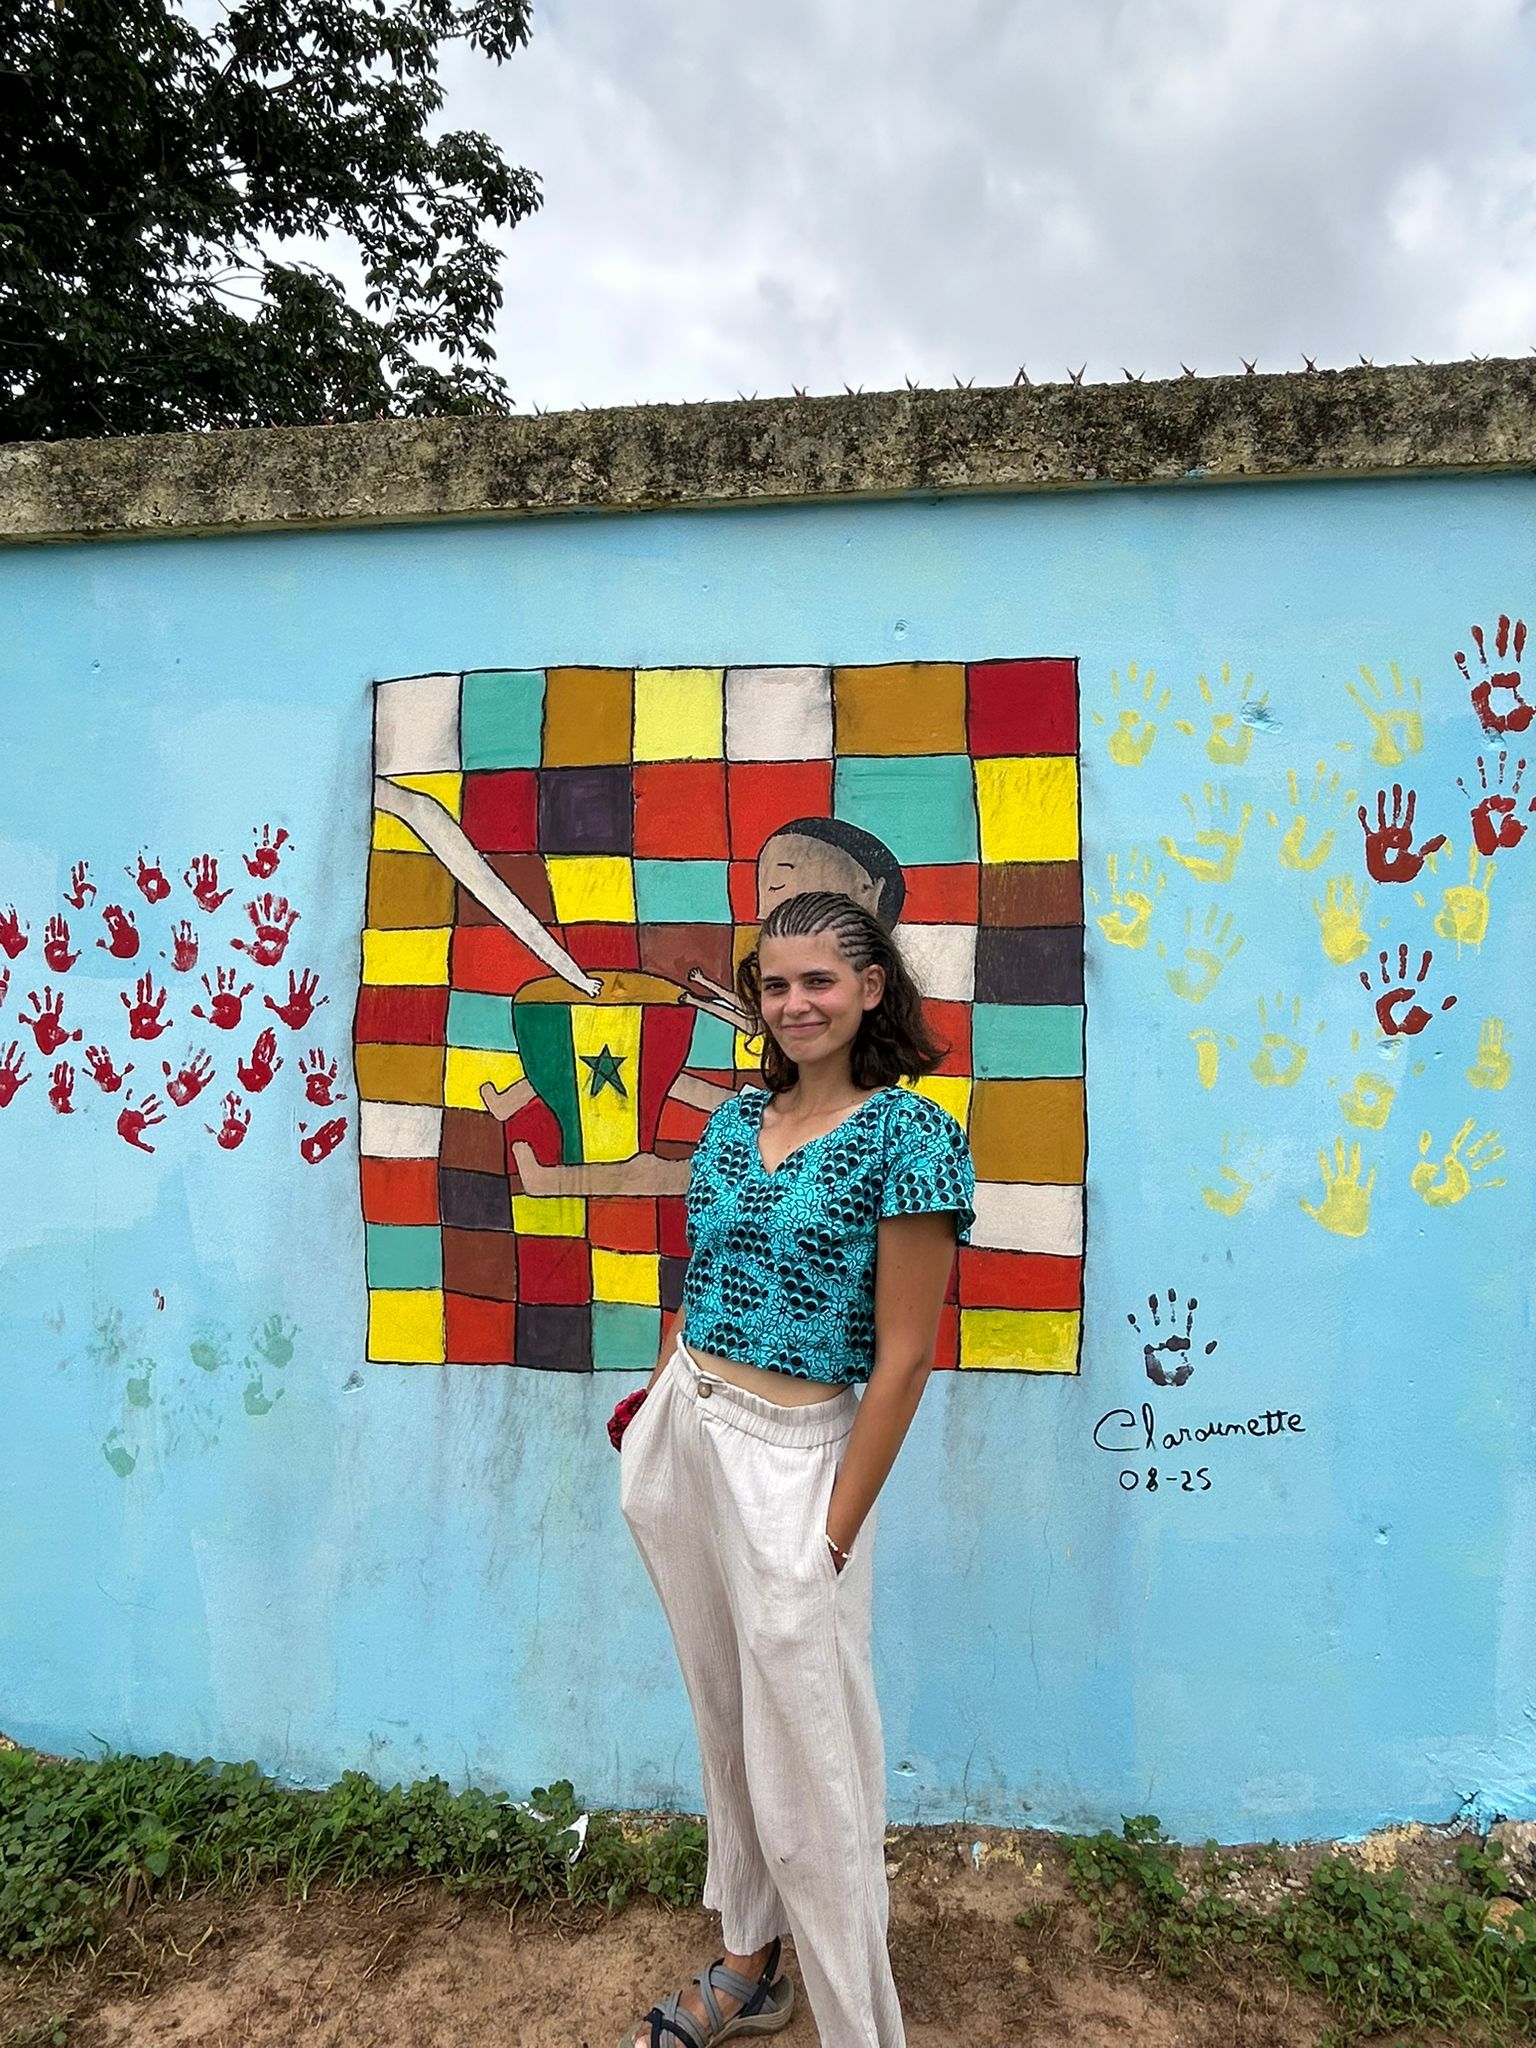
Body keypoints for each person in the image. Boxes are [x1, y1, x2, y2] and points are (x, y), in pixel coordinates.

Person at [615, 888, 976, 2048]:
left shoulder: (911, 1137)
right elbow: (701, 1275)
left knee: (815, 1768)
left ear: (872, 986)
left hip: (794, 1464)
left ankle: (861, 2026)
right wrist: (659, 1401)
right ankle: (748, 1963)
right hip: (688, 1437)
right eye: (775, 983)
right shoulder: (733, 1121)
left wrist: (830, 1538)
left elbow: (905, 1358)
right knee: (727, 1723)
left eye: (819, 979)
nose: (793, 1002)